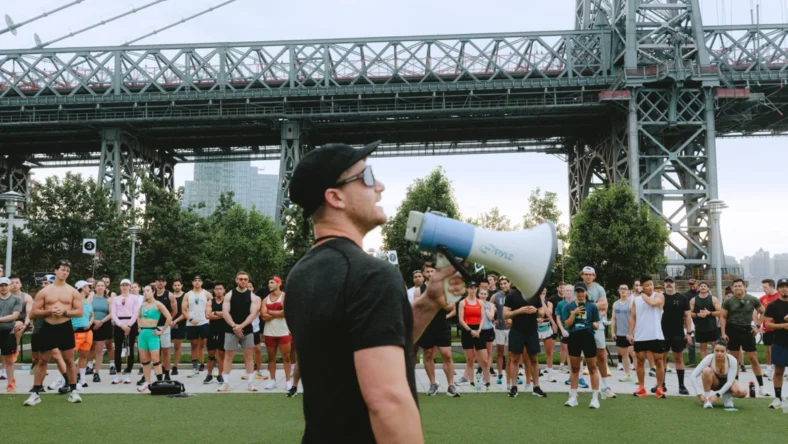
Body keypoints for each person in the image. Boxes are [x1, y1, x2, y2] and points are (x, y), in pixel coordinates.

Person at [284, 141, 457, 443]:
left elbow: (364, 345)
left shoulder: (299, 275)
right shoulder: (372, 274)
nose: (380, 186)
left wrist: (428, 302)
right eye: (366, 177)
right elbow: (387, 402)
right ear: (335, 197)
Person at [24, 260, 84, 406]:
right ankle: (36, 392)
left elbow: (79, 312)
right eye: (62, 269)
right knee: (42, 360)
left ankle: (74, 391)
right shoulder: (44, 291)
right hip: (48, 327)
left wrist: (64, 312)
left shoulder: (72, 291)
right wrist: (48, 311)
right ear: (55, 271)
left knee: (69, 360)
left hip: (65, 327)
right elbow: (34, 312)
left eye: (67, 270)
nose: (65, 272)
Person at [416, 261, 459, 397]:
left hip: (442, 326)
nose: (430, 273)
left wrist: (444, 308)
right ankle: (433, 384)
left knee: (447, 355)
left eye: (432, 271)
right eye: (427, 271)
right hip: (427, 327)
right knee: (428, 355)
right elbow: (419, 309)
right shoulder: (419, 290)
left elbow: (452, 307)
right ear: (423, 274)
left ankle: (451, 385)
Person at [721, 278, 769, 396]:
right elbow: (723, 317)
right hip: (732, 330)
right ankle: (734, 385)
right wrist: (723, 333)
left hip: (747, 330)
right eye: (735, 286)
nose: (737, 288)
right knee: (734, 360)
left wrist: (757, 326)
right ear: (732, 288)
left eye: (739, 286)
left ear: (744, 287)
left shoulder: (752, 299)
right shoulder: (728, 301)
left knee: (753, 358)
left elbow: (764, 312)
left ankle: (761, 387)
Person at [219, 271, 261, 393]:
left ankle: (250, 383)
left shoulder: (252, 296)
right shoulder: (229, 295)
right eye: (241, 279)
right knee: (228, 357)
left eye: (245, 279)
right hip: (230, 329)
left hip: (247, 330)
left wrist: (240, 326)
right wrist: (234, 326)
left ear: (248, 281)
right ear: (236, 280)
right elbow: (225, 313)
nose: (243, 281)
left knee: (248, 356)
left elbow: (253, 314)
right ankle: (225, 383)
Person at [562, 282, 602, 408]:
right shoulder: (568, 306)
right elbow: (567, 324)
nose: (579, 294)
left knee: (592, 367)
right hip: (574, 337)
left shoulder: (592, 306)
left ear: (586, 292)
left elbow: (596, 323)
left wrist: (595, 325)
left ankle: (595, 398)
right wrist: (574, 313)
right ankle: (573, 397)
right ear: (575, 292)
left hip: (588, 337)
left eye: (582, 291)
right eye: (577, 291)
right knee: (574, 368)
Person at [504, 282, 546, 398]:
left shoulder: (534, 295)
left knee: (534, 358)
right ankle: (514, 387)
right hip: (517, 331)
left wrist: (535, 311)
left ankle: (536, 387)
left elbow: (542, 313)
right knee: (514, 358)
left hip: (532, 331)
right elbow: (505, 314)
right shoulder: (511, 296)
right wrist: (519, 311)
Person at [628, 276, 667, 399]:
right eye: (647, 285)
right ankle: (641, 388)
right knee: (639, 361)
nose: (650, 287)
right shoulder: (636, 300)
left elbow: (653, 303)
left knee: (659, 361)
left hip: (656, 334)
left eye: (651, 284)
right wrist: (630, 333)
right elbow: (633, 317)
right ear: (642, 286)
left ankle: (660, 388)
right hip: (640, 335)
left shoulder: (659, 296)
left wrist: (642, 294)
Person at [580, 266, 615, 398]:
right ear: (582, 275)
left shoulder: (599, 289)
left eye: (590, 274)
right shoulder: (577, 288)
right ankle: (576, 384)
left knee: (601, 354)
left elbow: (604, 305)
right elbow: (575, 305)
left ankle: (605, 385)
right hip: (581, 325)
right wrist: (595, 305)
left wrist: (587, 306)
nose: (588, 276)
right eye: (586, 274)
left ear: (594, 276)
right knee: (577, 355)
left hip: (597, 325)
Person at [658, 277, 693, 395]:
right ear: (664, 284)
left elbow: (687, 317)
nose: (668, 284)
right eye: (666, 282)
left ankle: (682, 386)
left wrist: (689, 333)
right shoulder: (660, 297)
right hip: (662, 333)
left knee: (678, 358)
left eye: (670, 282)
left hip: (678, 333)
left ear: (674, 284)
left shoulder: (682, 298)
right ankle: (661, 384)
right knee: (662, 359)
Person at [689, 339, 746, 409]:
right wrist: (699, 394)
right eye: (717, 351)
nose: (719, 353)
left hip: (728, 383)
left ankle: (727, 396)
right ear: (713, 350)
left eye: (722, 351)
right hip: (715, 383)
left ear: (726, 351)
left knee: (742, 392)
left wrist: (717, 395)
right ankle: (707, 400)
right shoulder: (708, 358)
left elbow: (730, 382)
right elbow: (693, 376)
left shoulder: (732, 360)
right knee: (706, 370)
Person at [136, 284, 173, 392]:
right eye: (144, 291)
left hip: (153, 333)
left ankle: (159, 383)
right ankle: (147, 382)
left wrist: (162, 331)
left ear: (153, 292)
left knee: (156, 360)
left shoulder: (158, 304)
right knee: (144, 360)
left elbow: (169, 317)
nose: (145, 293)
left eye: (147, 290)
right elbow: (138, 316)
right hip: (143, 334)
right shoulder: (142, 305)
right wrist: (139, 326)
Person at [457, 281, 490, 390]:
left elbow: (482, 317)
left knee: (484, 360)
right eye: (471, 288)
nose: (473, 290)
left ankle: (487, 382)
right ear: (467, 289)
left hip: (479, 331)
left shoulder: (480, 302)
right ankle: (471, 382)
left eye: (474, 288)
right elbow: (461, 319)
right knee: (470, 359)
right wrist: (470, 330)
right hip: (467, 331)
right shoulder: (462, 302)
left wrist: (479, 330)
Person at [261, 276, 293, 391]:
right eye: (269, 283)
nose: (269, 285)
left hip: (283, 332)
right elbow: (263, 316)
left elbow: (286, 313)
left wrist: (270, 311)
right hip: (269, 333)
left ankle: (288, 381)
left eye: (272, 282)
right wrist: (277, 313)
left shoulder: (284, 297)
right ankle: (272, 380)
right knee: (271, 358)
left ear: (279, 284)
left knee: (286, 357)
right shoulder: (265, 299)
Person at [763, 277, 788, 409]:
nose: (785, 289)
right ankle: (778, 398)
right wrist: (783, 325)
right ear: (778, 289)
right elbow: (767, 323)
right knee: (778, 371)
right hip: (779, 341)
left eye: (787, 286)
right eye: (782, 286)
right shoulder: (773, 305)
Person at [111, 279, 142, 385]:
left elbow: (136, 312)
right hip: (119, 324)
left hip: (131, 324)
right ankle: (118, 374)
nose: (124, 287)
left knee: (130, 349)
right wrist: (121, 325)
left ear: (130, 287)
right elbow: (113, 314)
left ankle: (128, 374)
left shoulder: (134, 298)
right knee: (118, 349)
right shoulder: (116, 299)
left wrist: (129, 325)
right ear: (120, 287)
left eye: (127, 285)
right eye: (122, 285)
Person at [182, 275, 210, 378]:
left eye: (199, 280)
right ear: (192, 282)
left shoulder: (207, 294)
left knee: (207, 345)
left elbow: (213, 306)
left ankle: (212, 367)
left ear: (202, 282)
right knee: (194, 345)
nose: (197, 282)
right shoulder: (187, 295)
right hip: (192, 323)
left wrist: (209, 319)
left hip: (204, 322)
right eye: (195, 281)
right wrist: (190, 319)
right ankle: (195, 368)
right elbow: (184, 310)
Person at [87, 280, 114, 382]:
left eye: (102, 285)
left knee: (99, 350)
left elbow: (111, 313)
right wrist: (94, 321)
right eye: (98, 285)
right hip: (91, 324)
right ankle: (85, 368)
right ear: (95, 287)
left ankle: (96, 373)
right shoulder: (90, 298)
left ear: (105, 287)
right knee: (89, 348)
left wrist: (101, 322)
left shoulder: (109, 299)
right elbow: (88, 310)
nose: (100, 287)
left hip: (103, 325)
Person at [0, 277, 22, 392]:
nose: (3, 287)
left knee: (9, 359)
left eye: (5, 285)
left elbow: (15, 316)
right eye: (1, 285)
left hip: (8, 332)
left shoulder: (16, 299)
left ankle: (10, 383)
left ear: (8, 286)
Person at [690, 281, 722, 359]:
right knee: (703, 347)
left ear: (708, 288)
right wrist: (697, 314)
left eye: (705, 286)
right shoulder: (693, 300)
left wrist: (709, 313)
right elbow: (689, 313)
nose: (703, 287)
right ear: (698, 288)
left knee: (716, 346)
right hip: (700, 327)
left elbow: (721, 312)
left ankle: (717, 362)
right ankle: (705, 364)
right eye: (701, 286)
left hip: (712, 327)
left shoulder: (713, 299)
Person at [72, 281, 94, 390]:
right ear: (82, 288)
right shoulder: (74, 301)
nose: (89, 288)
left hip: (88, 332)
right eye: (87, 286)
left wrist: (90, 323)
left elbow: (92, 315)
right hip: (76, 333)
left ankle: (83, 379)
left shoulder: (88, 301)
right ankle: (64, 379)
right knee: (69, 356)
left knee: (83, 356)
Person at [154, 275, 177, 380]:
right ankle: (157, 372)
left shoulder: (170, 295)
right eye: (159, 281)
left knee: (165, 350)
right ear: (155, 282)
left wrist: (169, 320)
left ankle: (167, 372)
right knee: (154, 351)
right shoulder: (151, 295)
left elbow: (175, 310)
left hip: (164, 326)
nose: (160, 283)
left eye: (162, 281)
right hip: (152, 326)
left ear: (165, 283)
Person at [204, 282, 227, 385]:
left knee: (222, 354)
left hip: (224, 329)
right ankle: (209, 375)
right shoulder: (210, 302)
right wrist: (222, 314)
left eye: (220, 289)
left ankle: (220, 375)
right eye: (216, 289)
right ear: (214, 290)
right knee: (211, 354)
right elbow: (208, 315)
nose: (218, 291)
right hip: (212, 329)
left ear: (224, 290)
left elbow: (228, 313)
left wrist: (215, 313)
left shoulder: (227, 301)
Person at [490, 277, 511, 385]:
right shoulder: (496, 296)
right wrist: (494, 318)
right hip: (500, 328)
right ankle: (500, 374)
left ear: (509, 283)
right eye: (501, 284)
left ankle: (512, 374)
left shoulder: (513, 295)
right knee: (500, 352)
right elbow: (489, 307)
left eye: (505, 283)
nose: (503, 285)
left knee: (512, 353)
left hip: (512, 328)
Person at [611, 283, 634, 382]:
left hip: (630, 333)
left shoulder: (631, 302)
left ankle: (639, 375)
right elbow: (613, 319)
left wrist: (631, 333)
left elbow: (635, 318)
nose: (623, 290)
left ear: (628, 291)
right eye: (621, 289)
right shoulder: (616, 304)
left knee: (633, 353)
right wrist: (612, 332)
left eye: (625, 289)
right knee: (624, 354)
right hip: (620, 333)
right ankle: (627, 374)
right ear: (619, 291)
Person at [759, 279, 781, 380]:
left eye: (765, 287)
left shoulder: (781, 297)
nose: (763, 289)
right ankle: (768, 369)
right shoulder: (762, 298)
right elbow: (759, 313)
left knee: (783, 348)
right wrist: (758, 325)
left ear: (772, 286)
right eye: (762, 287)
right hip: (767, 328)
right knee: (769, 349)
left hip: (780, 328)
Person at [537, 287, 558, 383]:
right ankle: (536, 371)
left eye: (544, 291)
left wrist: (542, 300)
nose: (542, 293)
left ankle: (550, 374)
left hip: (546, 326)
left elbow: (548, 313)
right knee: (534, 351)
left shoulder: (549, 302)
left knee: (549, 351)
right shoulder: (533, 301)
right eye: (541, 291)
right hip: (536, 326)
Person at [478, 287, 496, 388]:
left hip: (488, 330)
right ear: (478, 294)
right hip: (479, 331)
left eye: (485, 294)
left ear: (487, 295)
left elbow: (491, 317)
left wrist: (484, 307)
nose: (483, 296)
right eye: (481, 294)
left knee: (489, 352)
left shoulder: (491, 305)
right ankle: (481, 370)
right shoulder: (475, 303)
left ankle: (487, 373)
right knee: (480, 353)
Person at [169, 278, 187, 376]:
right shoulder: (170, 296)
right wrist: (169, 321)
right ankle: (165, 366)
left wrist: (175, 321)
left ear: (181, 285)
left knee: (177, 346)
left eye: (178, 285)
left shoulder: (185, 296)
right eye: (175, 285)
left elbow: (185, 312)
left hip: (180, 323)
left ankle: (175, 366)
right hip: (168, 322)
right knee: (165, 347)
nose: (176, 287)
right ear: (172, 286)